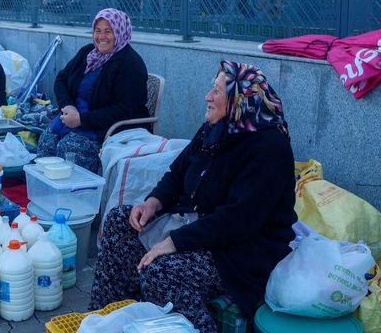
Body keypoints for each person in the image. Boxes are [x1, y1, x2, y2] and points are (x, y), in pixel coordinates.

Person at [89, 61, 296, 333]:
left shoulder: (269, 149)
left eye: (217, 92)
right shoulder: (216, 128)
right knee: (119, 221)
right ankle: (108, 320)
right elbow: (178, 171)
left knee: (162, 270)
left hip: (242, 251)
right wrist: (153, 202)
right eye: (212, 88)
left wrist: (173, 242)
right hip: (197, 227)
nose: (207, 97)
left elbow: (237, 221)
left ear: (239, 100)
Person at [36, 8, 148, 172]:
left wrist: (82, 119)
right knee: (47, 140)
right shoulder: (87, 53)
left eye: (108, 32)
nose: (101, 37)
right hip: (74, 118)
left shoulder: (131, 65)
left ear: (120, 32)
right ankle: (47, 193)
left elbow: (125, 110)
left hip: (107, 129)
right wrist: (68, 106)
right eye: (98, 31)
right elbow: (61, 79)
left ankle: (76, 196)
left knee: (69, 148)